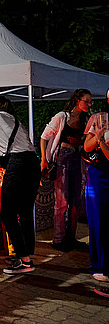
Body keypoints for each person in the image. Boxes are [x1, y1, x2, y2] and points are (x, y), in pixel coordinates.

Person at [0, 96, 41, 274]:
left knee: (8, 213)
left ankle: (25, 260)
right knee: (25, 212)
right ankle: (26, 255)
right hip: (32, 164)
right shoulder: (14, 120)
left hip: (18, 165)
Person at [40, 88, 92, 252]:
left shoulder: (85, 120)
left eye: (90, 102)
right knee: (61, 201)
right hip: (62, 157)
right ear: (78, 100)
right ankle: (59, 238)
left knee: (76, 201)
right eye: (87, 101)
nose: (89, 104)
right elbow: (44, 136)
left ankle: (71, 237)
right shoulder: (63, 116)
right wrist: (44, 159)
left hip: (77, 158)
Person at [83, 90, 109, 296]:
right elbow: (86, 147)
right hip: (99, 173)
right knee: (98, 218)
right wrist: (98, 137)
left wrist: (100, 142)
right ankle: (99, 265)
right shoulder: (98, 118)